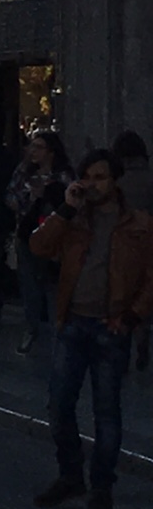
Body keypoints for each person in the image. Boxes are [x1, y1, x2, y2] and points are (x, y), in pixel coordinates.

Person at [30, 149, 153, 509]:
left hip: (110, 325)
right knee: (59, 403)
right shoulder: (73, 219)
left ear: (115, 180)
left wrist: (132, 316)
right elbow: (39, 246)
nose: (94, 184)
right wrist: (65, 209)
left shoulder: (140, 224)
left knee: (106, 410)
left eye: (101, 177)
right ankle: (71, 474)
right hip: (72, 322)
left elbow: (150, 277)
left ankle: (102, 485)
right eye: (88, 177)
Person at [6, 130, 73, 355]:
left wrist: (50, 194)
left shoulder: (63, 176)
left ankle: (58, 331)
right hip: (27, 235)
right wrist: (30, 197)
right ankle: (32, 328)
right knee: (29, 285)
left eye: (39, 147)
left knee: (52, 285)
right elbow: (11, 198)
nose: (32, 152)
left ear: (51, 152)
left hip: (55, 239)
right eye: (31, 146)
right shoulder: (24, 173)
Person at [111, 129, 152, 370]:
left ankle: (123, 340)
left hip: (124, 246)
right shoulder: (150, 179)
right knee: (145, 294)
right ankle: (143, 332)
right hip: (149, 242)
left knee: (123, 295)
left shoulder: (117, 183)